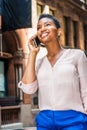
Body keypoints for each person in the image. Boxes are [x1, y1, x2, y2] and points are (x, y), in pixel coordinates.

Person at [18, 14, 87, 130]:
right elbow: (28, 89)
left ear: (59, 32)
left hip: (73, 119)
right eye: (39, 27)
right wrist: (32, 53)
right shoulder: (38, 62)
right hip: (45, 120)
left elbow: (86, 90)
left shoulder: (77, 56)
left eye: (47, 25)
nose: (42, 29)